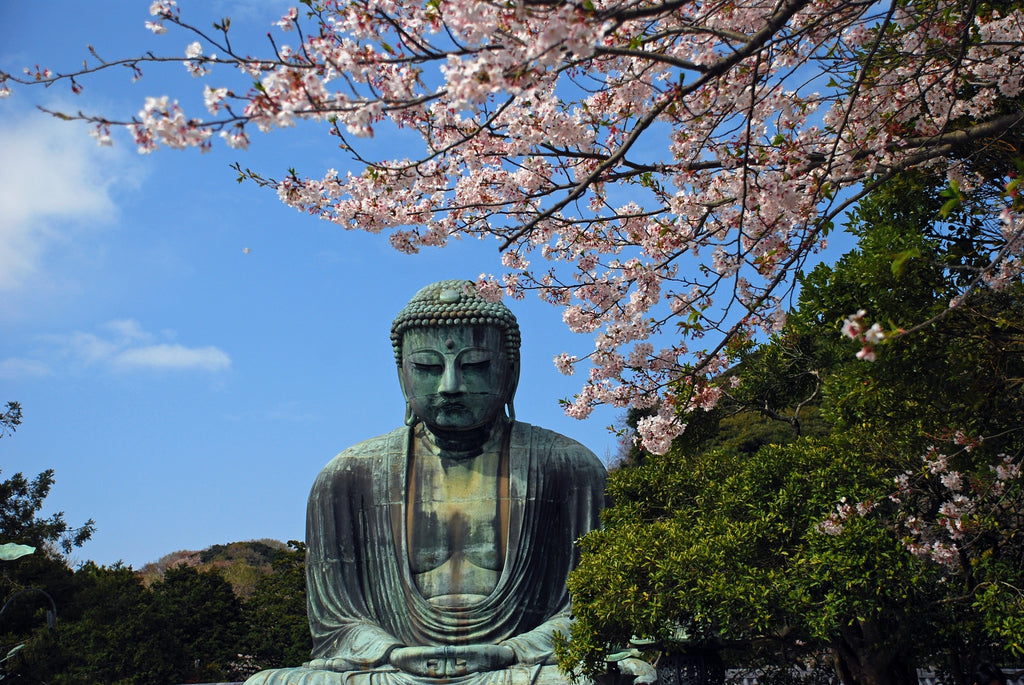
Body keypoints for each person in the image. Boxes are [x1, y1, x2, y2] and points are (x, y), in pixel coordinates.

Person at [247, 280, 607, 685]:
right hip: (395, 669)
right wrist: (394, 654)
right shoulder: (347, 477)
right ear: (402, 376)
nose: (450, 386)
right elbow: (338, 625)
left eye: (473, 366)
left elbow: (591, 613)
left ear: (512, 371)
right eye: (428, 367)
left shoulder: (569, 467)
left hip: (518, 667)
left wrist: (512, 651)